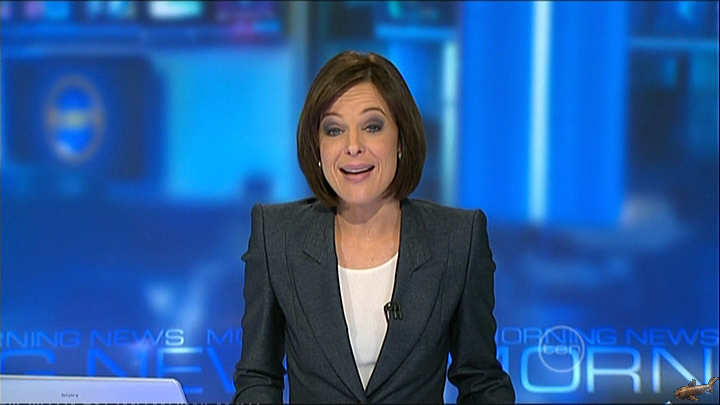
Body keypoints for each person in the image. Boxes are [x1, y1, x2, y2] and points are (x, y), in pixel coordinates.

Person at [233, 50, 515, 404]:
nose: (353, 146)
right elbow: (258, 377)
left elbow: (481, 382)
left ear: (401, 139)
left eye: (372, 126)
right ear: (317, 148)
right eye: (334, 130)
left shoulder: (457, 239)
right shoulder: (277, 236)